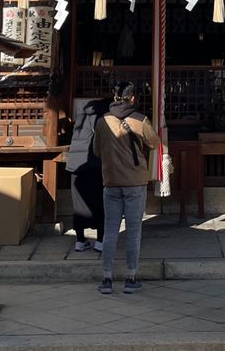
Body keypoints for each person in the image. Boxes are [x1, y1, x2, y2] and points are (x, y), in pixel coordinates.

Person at [92, 80, 159, 295]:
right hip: (135, 182)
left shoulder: (103, 122)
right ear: (132, 98)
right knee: (133, 231)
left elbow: (96, 151)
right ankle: (131, 277)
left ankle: (107, 278)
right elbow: (155, 143)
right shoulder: (140, 120)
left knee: (110, 230)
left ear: (114, 96)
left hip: (111, 182)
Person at [65, 95, 109, 253]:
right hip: (94, 165)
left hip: (75, 166)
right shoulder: (103, 119)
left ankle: (80, 241)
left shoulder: (81, 117)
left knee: (79, 206)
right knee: (100, 203)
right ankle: (100, 241)